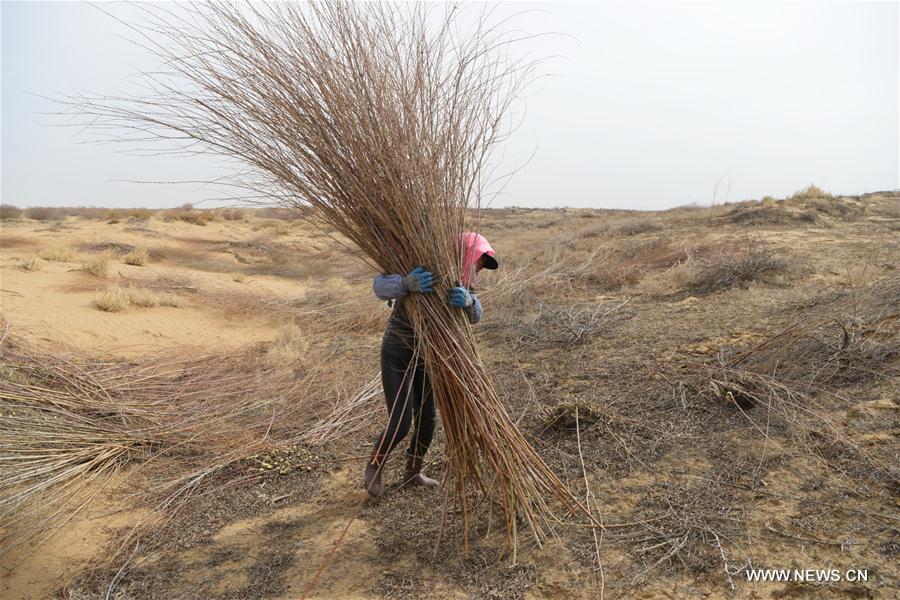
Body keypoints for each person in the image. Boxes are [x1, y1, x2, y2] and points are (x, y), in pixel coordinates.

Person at [363, 232, 499, 497]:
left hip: (430, 355)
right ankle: (374, 468)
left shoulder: (462, 281)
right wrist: (405, 283)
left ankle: (413, 473)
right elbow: (379, 286)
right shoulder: (419, 260)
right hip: (399, 352)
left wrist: (470, 302)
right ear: (465, 253)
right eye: (479, 261)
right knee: (401, 422)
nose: (479, 268)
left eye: (482, 264)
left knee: (428, 419)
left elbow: (476, 315)